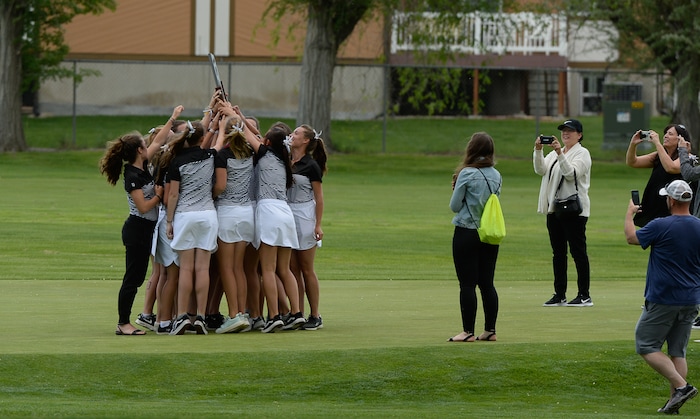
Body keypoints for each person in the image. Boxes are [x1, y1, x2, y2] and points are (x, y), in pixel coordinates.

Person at [624, 179, 700, 414]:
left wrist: (629, 214)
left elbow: (632, 238)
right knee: (677, 351)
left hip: (664, 297)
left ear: (672, 200)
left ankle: (682, 386)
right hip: (691, 298)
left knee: (645, 344)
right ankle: (673, 403)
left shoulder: (661, 225)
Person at [99, 130, 166, 335]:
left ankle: (124, 322)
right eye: (145, 145)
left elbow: (160, 140)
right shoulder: (132, 175)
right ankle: (123, 323)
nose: (149, 147)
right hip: (137, 229)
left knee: (137, 277)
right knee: (133, 278)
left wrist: (174, 117)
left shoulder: (143, 165)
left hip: (146, 230)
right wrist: (159, 195)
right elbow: (144, 207)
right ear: (139, 150)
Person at [164, 117, 225, 335]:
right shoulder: (211, 155)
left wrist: (169, 221)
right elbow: (218, 143)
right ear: (201, 139)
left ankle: (182, 316)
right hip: (208, 215)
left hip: (185, 215)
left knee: (187, 269)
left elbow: (172, 194)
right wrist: (220, 123)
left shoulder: (177, 160)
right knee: (202, 268)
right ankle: (199, 315)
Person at [447, 132, 501, 342]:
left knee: (467, 283)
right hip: (489, 233)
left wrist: (454, 190)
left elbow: (455, 206)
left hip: (467, 231)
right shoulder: (497, 175)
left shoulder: (467, 174)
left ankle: (467, 331)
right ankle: (490, 330)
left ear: (472, 149)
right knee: (487, 283)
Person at [533, 119, 592, 307]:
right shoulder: (553, 154)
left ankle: (584, 294)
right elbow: (540, 169)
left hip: (574, 210)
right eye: (563, 131)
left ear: (579, 135)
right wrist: (538, 150)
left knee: (578, 252)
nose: (565, 134)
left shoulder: (582, 153)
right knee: (558, 253)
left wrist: (560, 153)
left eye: (570, 131)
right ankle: (560, 294)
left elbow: (571, 174)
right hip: (554, 209)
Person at [211, 114, 255, 334]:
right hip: (247, 213)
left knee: (227, 267)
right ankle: (242, 313)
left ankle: (233, 315)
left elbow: (220, 186)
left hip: (228, 212)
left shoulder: (223, 154)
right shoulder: (249, 152)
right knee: (238, 268)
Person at [287, 124, 327, 331]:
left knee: (306, 268)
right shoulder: (286, 160)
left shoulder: (310, 165)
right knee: (292, 268)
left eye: (296, 134)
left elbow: (319, 198)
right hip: (287, 215)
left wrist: (318, 224)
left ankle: (315, 314)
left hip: (305, 216)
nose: (291, 136)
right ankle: (298, 313)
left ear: (305, 141)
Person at [626, 125, 687, 227]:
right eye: (665, 133)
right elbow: (633, 162)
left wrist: (657, 144)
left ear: (680, 139)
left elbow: (671, 168)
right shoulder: (658, 155)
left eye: (670, 134)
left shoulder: (686, 157)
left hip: (673, 205)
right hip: (655, 202)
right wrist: (633, 145)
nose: (665, 136)